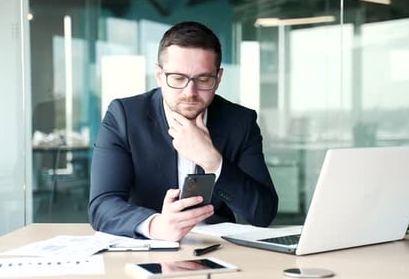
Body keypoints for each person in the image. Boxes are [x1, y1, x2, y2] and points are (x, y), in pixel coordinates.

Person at [89, 21, 278, 241]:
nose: (190, 92)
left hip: (219, 249)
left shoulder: (240, 122)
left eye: (203, 79)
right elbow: (101, 205)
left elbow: (263, 214)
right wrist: (155, 225)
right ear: (159, 75)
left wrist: (214, 162)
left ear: (218, 79)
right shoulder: (124, 117)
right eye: (178, 78)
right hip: (148, 248)